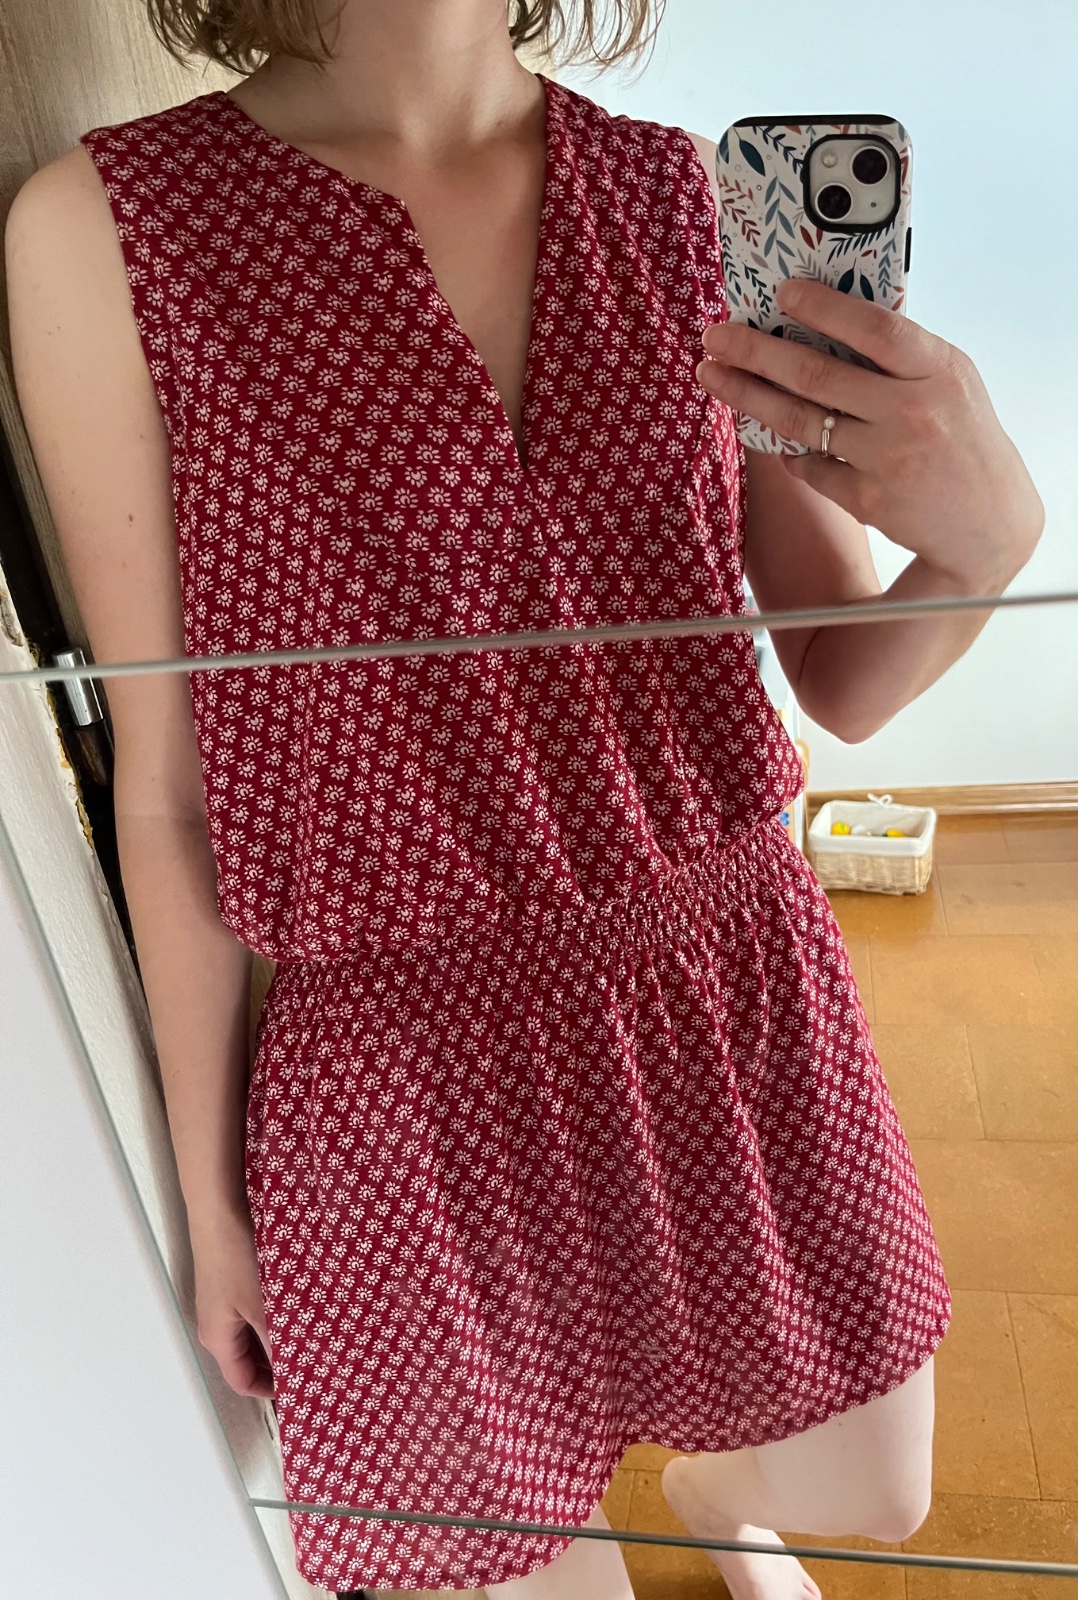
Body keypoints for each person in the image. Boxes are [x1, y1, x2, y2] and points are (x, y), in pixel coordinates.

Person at [5, 1, 1044, 1596]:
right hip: (400, 1060)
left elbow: (839, 671)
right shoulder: (105, 227)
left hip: (724, 977)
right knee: (515, 1559)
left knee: (878, 1490)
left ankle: (711, 1497)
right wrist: (211, 1203)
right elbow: (168, 781)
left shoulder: (685, 199)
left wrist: (990, 542)